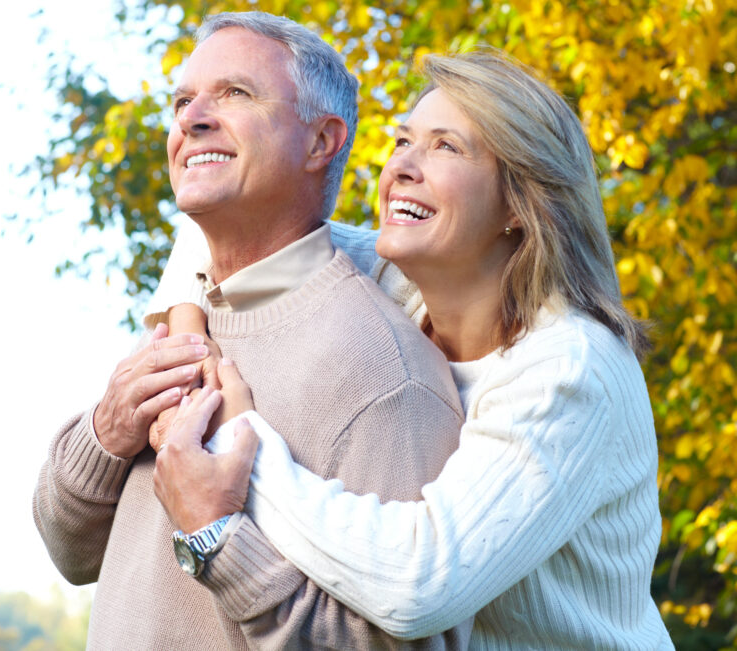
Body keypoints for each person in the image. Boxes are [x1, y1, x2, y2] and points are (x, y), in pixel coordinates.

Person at [151, 50, 674, 649]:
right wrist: (191, 347)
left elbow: (418, 586)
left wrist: (239, 443)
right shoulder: (392, 279)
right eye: (403, 141)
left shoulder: (569, 369)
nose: (402, 166)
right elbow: (213, 227)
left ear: (519, 205)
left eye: (446, 147)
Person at [33, 11, 471, 648]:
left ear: (321, 142)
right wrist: (106, 432)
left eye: (234, 94)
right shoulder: (173, 330)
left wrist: (215, 537)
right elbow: (68, 553)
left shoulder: (386, 372)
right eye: (183, 100)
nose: (192, 118)